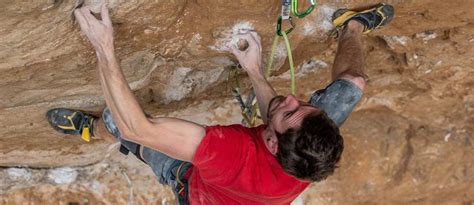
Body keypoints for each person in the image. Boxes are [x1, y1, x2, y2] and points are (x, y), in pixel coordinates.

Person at [46, 2, 394, 204]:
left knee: (117, 122)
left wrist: (103, 46)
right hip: (272, 160)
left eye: (288, 109)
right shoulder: (313, 153)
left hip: (194, 187)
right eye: (303, 104)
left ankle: (90, 131)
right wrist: (255, 72)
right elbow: (284, 116)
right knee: (352, 86)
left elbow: (138, 127)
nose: (289, 97)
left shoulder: (230, 155)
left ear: (271, 143)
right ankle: (352, 27)